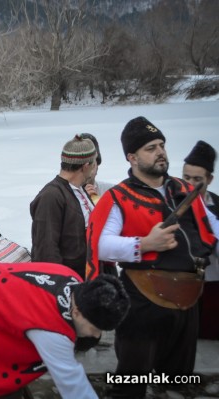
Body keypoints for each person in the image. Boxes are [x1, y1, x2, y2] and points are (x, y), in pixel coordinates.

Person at [85, 117, 219, 398]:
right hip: (143, 303)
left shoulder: (183, 189)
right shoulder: (120, 196)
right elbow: (102, 245)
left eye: (162, 145)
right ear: (132, 157)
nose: (160, 152)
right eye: (150, 148)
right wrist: (144, 243)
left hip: (188, 300)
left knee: (178, 382)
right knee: (131, 384)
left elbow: (212, 229)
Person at [0, 261, 129, 399]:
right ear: (77, 312)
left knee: (15, 366)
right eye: (95, 328)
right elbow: (73, 386)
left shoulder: (74, 282)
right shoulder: (53, 334)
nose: (97, 336)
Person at [30, 134, 98, 278]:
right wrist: (62, 286)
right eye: (93, 163)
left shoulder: (80, 189)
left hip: (88, 278)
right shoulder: (51, 196)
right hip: (68, 284)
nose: (94, 167)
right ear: (85, 166)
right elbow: (46, 250)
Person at [183, 140, 219, 339]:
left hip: (212, 284)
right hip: (181, 283)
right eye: (186, 177)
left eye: (197, 179)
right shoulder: (171, 204)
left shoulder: (218, 207)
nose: (189, 185)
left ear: (209, 179)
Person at [79, 133, 113, 204]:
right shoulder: (61, 195)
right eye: (81, 162)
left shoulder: (112, 192)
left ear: (97, 163)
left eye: (90, 162)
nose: (86, 166)